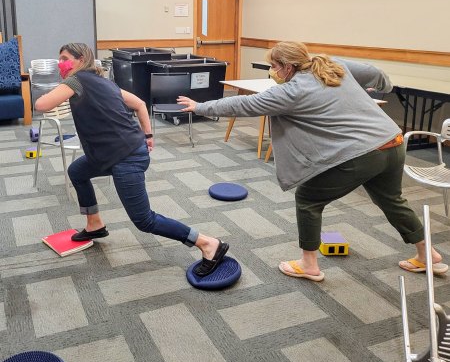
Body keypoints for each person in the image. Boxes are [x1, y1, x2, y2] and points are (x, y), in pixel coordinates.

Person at [177, 41, 448, 282]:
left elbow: (243, 105)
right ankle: (428, 254)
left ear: (287, 67)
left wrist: (200, 107)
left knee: (308, 199)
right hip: (393, 142)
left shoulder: (290, 92)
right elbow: (373, 71)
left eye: (274, 66)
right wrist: (382, 88)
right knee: (392, 200)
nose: (272, 71)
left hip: (362, 153)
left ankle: (308, 265)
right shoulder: (332, 64)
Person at [35, 43, 228, 277]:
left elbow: (41, 105)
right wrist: (148, 135)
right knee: (77, 171)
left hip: (126, 157)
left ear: (80, 60)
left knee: (144, 220)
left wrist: (62, 85)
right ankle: (95, 224)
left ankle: (208, 243)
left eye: (65, 58)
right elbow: (139, 104)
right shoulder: (105, 82)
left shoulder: (76, 81)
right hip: (110, 153)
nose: (60, 63)